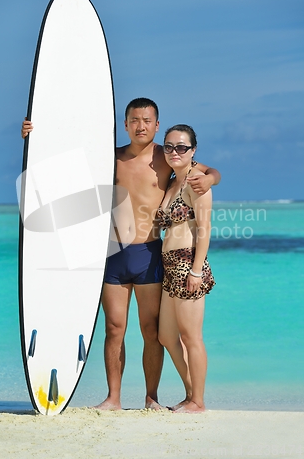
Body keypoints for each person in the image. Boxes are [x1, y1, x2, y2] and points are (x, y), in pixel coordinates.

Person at [21, 98, 221, 410]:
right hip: (113, 254)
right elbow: (63, 160)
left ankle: (151, 397)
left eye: (147, 120)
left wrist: (209, 179)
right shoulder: (108, 157)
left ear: (156, 125)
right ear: (125, 124)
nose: (140, 126)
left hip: (150, 253)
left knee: (151, 330)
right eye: (134, 120)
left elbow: (209, 172)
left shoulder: (166, 156)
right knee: (114, 327)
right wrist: (35, 135)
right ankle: (113, 397)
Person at [157, 124, 215, 413]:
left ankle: (198, 402)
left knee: (191, 336)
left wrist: (195, 270)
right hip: (169, 266)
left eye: (181, 147)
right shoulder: (172, 182)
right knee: (166, 336)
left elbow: (204, 229)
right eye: (169, 146)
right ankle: (191, 394)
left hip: (188, 263)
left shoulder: (197, 182)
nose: (174, 152)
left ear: (192, 151)